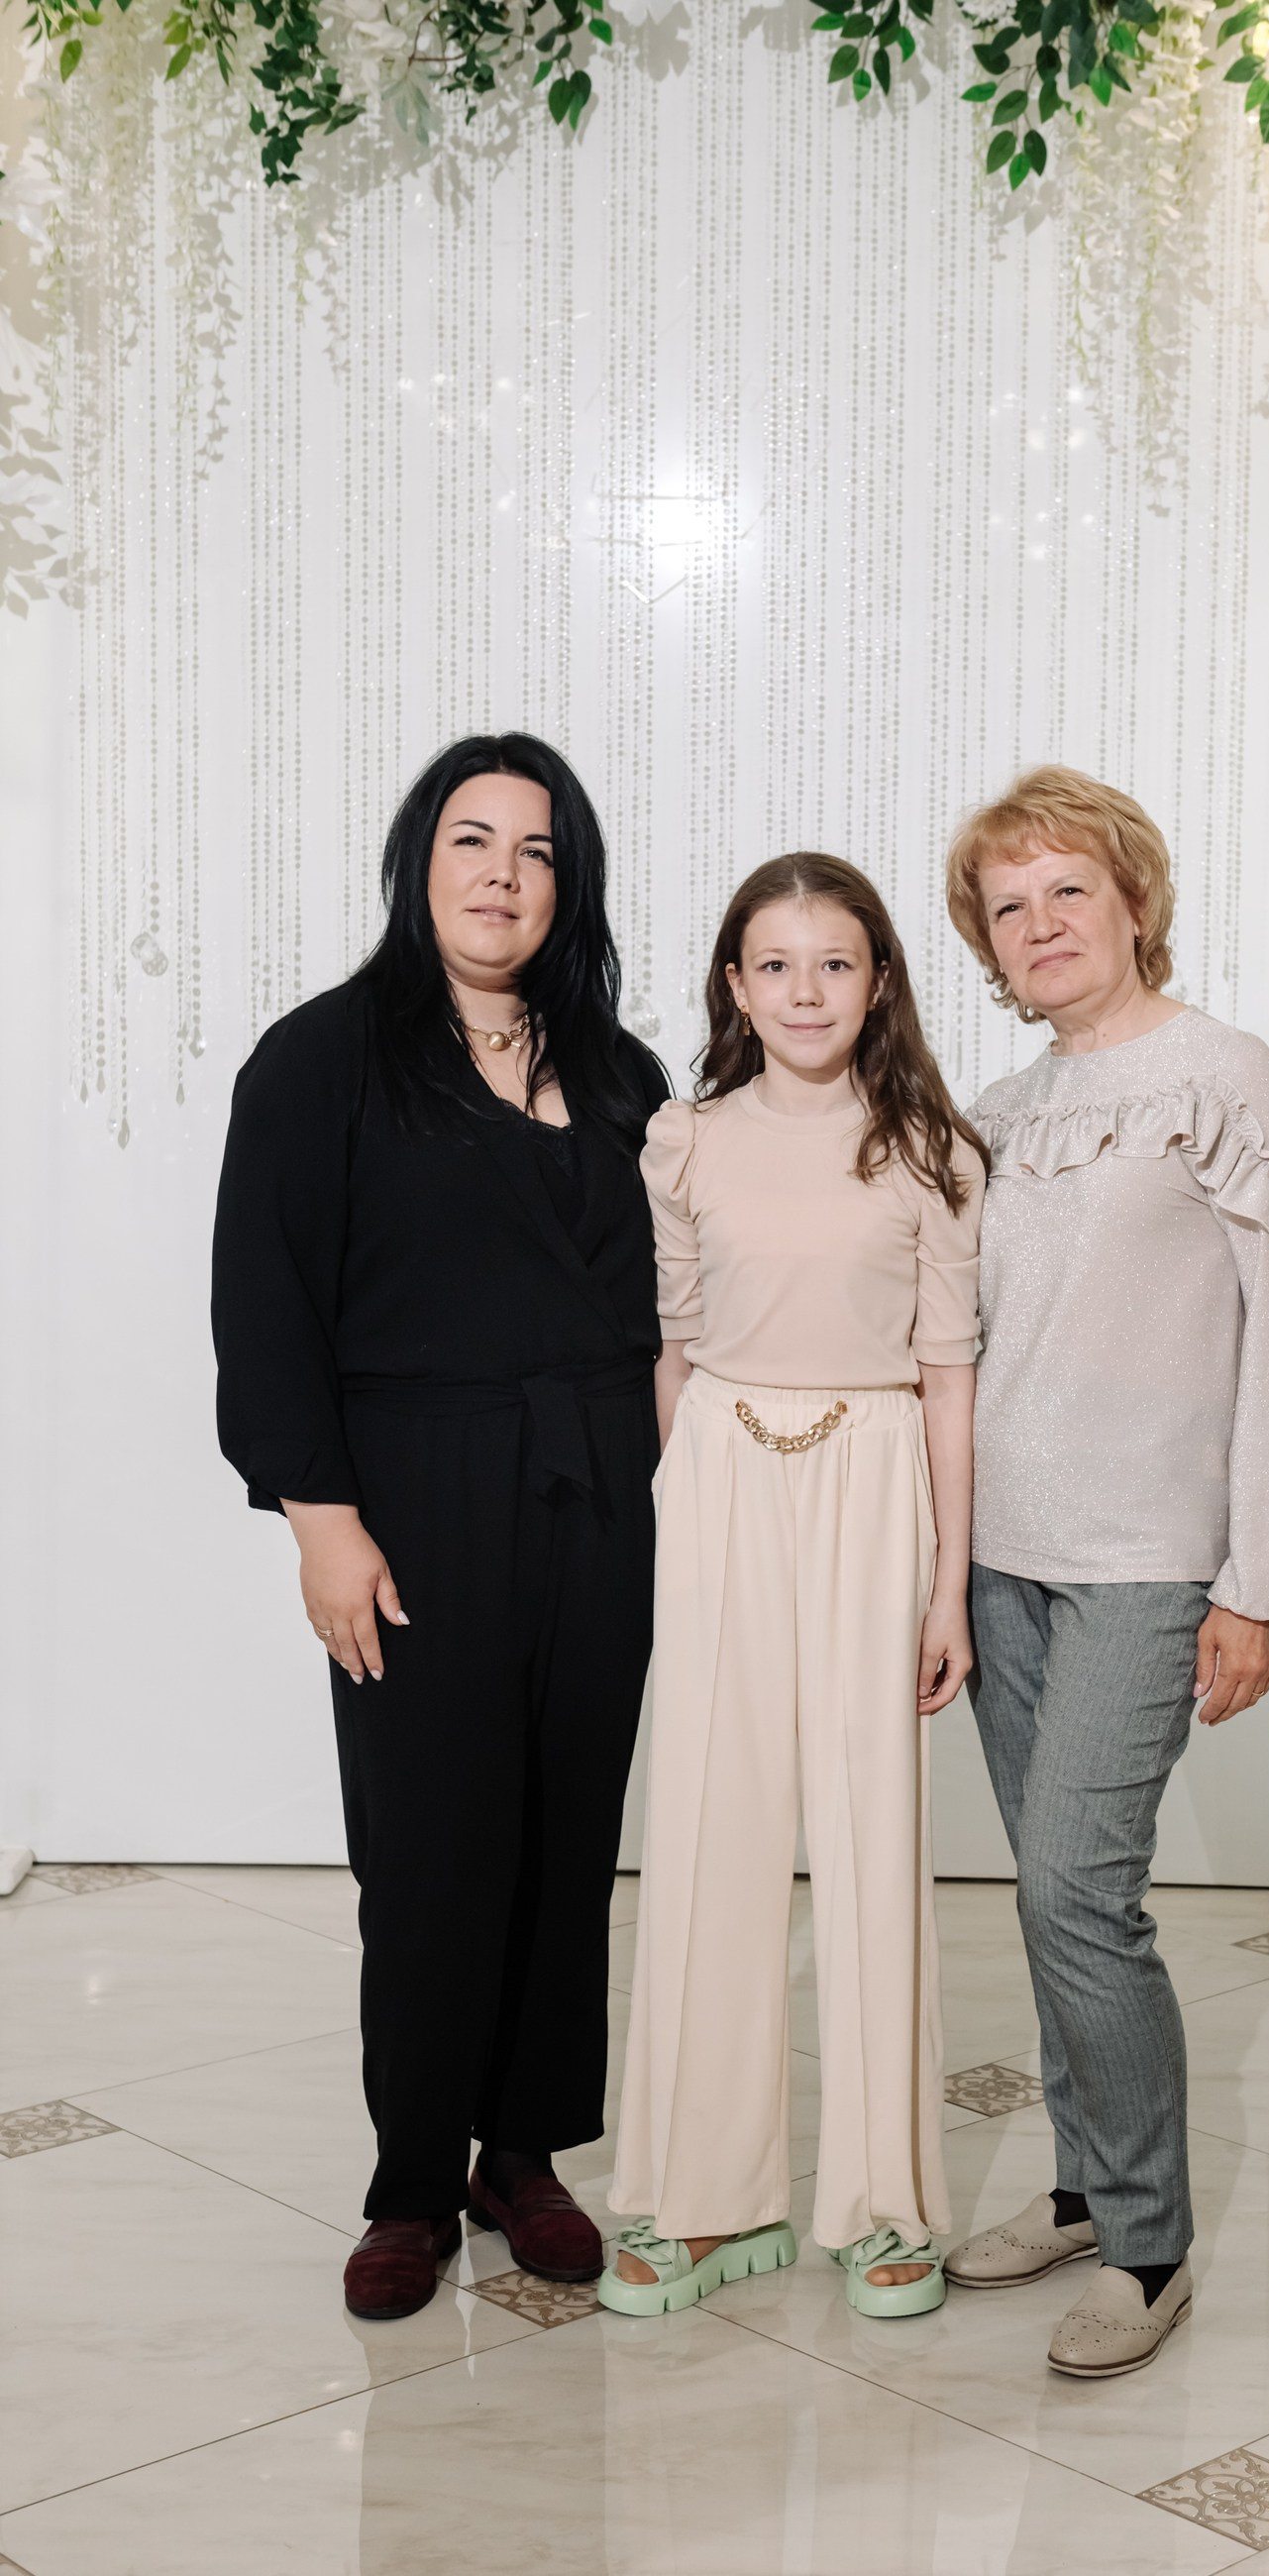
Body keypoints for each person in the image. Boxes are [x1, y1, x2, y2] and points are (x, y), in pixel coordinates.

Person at [211, 732, 667, 2322]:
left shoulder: (621, 1072)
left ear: (569, 882)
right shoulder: (322, 1059)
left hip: (599, 1494)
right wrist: (319, 1521)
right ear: (419, 860)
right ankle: (412, 2179)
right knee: (426, 1850)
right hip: (411, 1498)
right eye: (472, 839)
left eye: (536, 850)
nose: (501, 874)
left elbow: (673, 1304)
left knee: (564, 1830)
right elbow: (265, 1305)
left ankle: (521, 2153)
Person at [940, 765, 1269, 2377]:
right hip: (1002, 1562)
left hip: (1145, 1563)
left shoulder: (1224, 1077)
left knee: (1075, 1891)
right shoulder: (997, 1110)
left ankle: (1150, 2245)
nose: (1042, 922)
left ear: (1132, 901)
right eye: (1009, 904)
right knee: (1054, 1905)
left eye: (1069, 889)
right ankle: (1080, 2189)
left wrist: (1261, 1585)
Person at [598, 854, 985, 2320]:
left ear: (878, 982)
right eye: (776, 964)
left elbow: (949, 1383)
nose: (806, 991)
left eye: (836, 964)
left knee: (873, 1837)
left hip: (877, 1477)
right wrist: (684, 1508)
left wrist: (947, 1589)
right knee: (710, 1825)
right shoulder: (682, 1141)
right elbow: (674, 1346)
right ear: (734, 985)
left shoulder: (932, 1152)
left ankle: (886, 2206)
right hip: (720, 1473)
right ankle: (705, 2201)